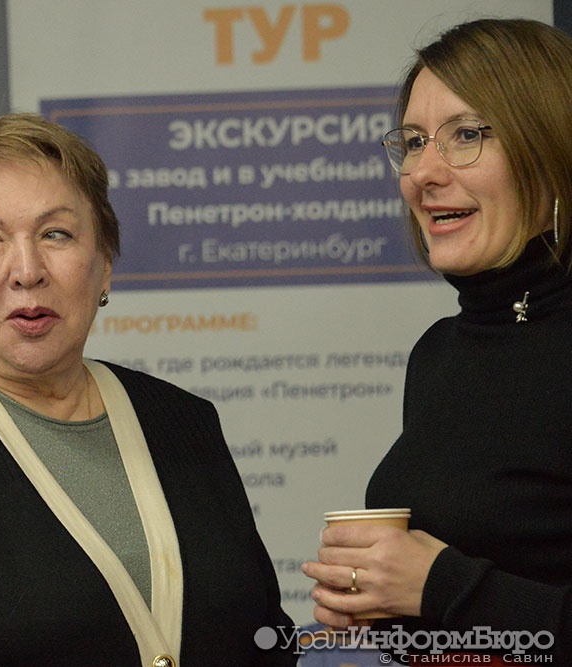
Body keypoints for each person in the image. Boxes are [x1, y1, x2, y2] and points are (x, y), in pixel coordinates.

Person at [0, 112, 295, 666]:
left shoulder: (182, 421)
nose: (27, 271)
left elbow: (266, 637)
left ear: (105, 263)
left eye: (56, 234)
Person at [301, 18, 572, 664]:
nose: (423, 171)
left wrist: (441, 585)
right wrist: (381, 611)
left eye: (467, 135)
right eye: (415, 141)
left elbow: (454, 590)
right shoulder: (440, 351)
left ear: (552, 147)